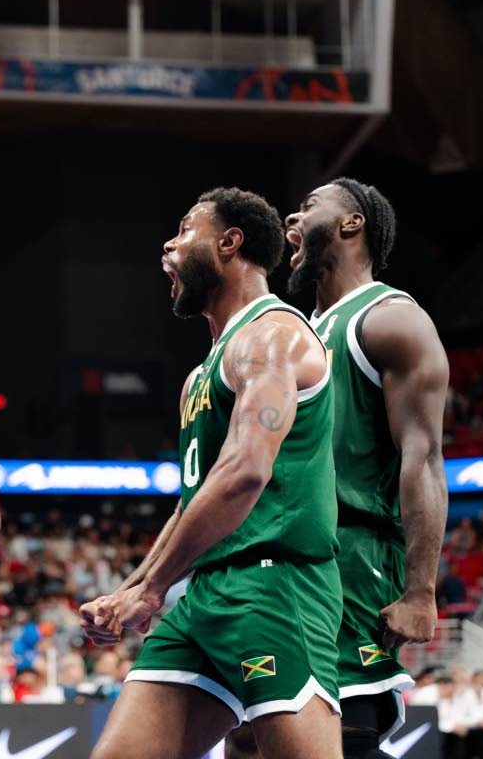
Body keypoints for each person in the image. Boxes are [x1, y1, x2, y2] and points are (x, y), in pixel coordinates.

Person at [82, 188, 342, 758]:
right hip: (205, 594)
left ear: (230, 242)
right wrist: (131, 590)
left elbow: (244, 472)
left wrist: (153, 589)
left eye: (184, 230)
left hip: (276, 586)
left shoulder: (272, 336)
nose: (167, 245)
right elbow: (192, 500)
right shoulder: (200, 375)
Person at [283, 178, 449, 757]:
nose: (291, 219)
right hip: (289, 561)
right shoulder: (295, 333)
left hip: (354, 559)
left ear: (352, 223)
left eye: (308, 207)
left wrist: (420, 592)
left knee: (343, 735)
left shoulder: (389, 319)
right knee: (262, 738)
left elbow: (424, 457)